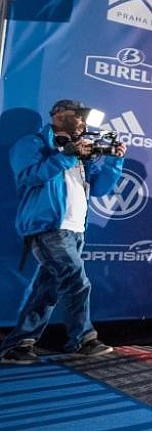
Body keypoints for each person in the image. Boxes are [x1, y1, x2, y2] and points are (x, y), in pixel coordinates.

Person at [0, 100, 125, 364]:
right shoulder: (31, 144)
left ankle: (18, 345)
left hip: (75, 229)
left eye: (85, 117)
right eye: (78, 115)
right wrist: (67, 155)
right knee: (76, 280)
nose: (83, 121)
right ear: (57, 115)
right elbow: (29, 177)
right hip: (48, 227)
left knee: (47, 291)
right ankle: (83, 339)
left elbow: (99, 188)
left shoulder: (79, 150)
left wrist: (115, 161)